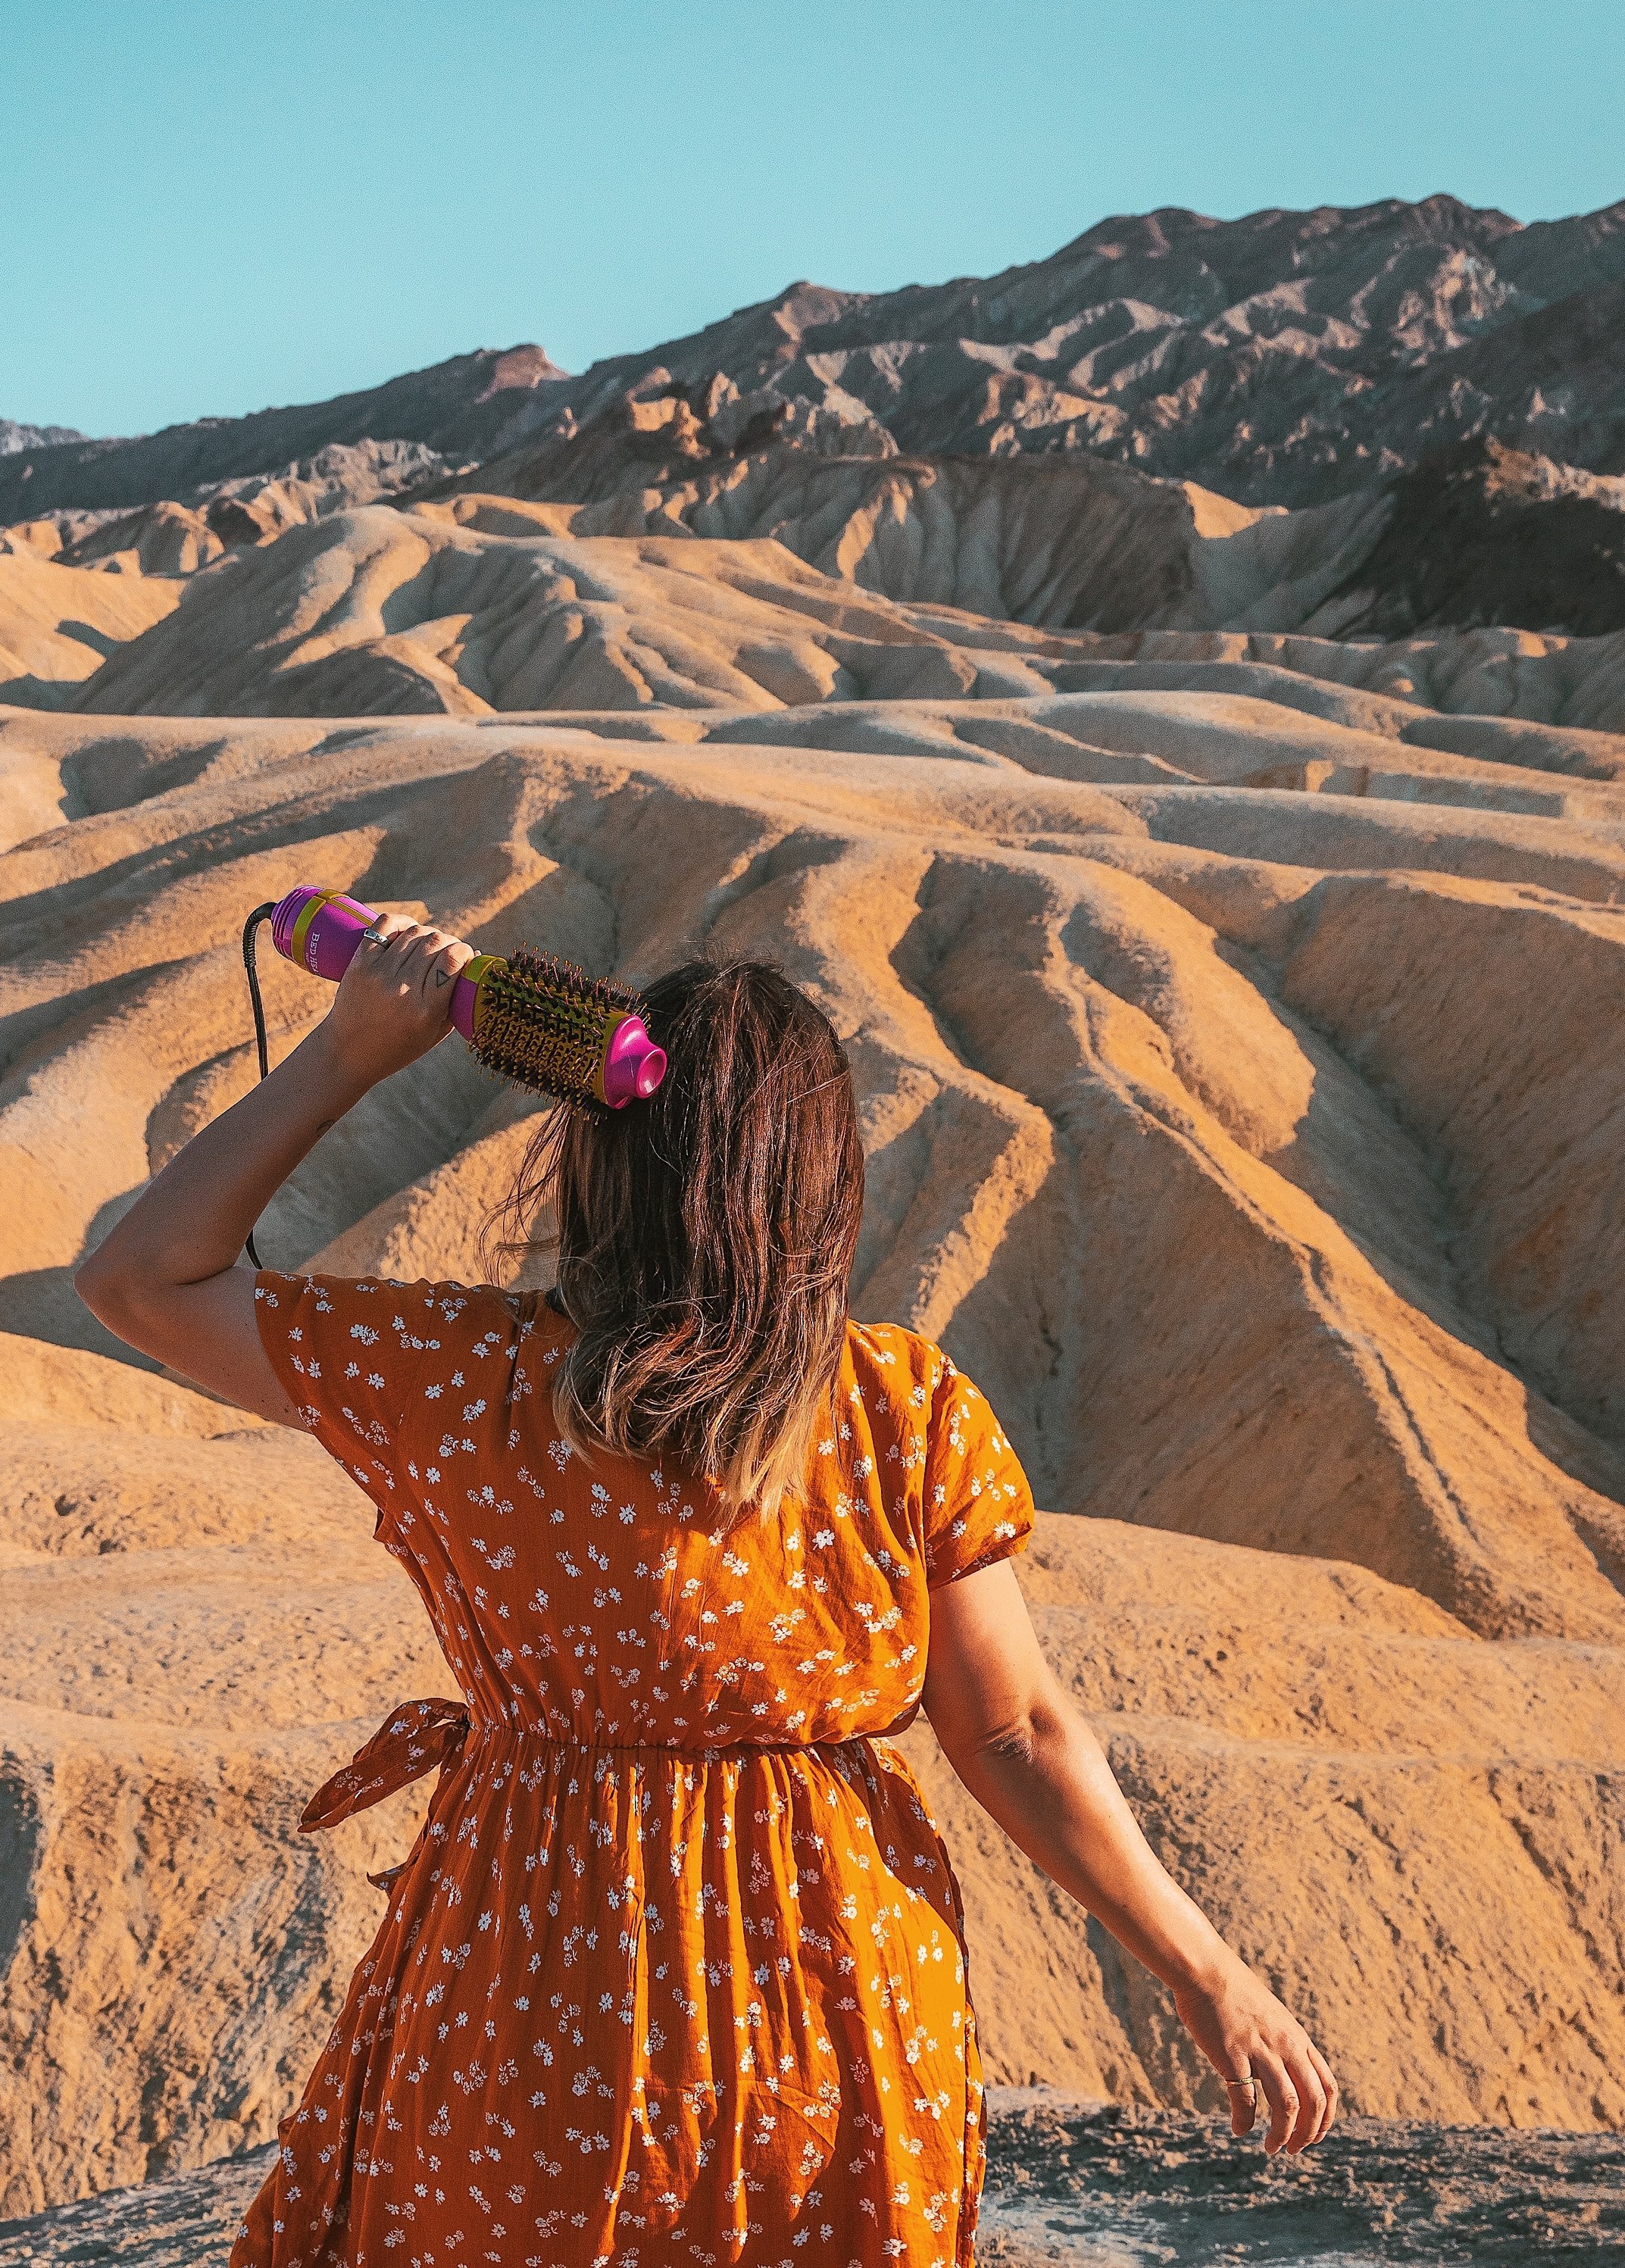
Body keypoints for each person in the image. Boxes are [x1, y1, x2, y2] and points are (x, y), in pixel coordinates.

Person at [76, 914, 1337, 2267]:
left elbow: (137, 1277)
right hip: (836, 2026)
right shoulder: (900, 1409)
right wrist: (1212, 1976)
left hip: (533, 2009)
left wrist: (346, 1055)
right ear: (821, 1188)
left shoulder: (464, 1379)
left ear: (595, 1156)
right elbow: (1016, 1732)